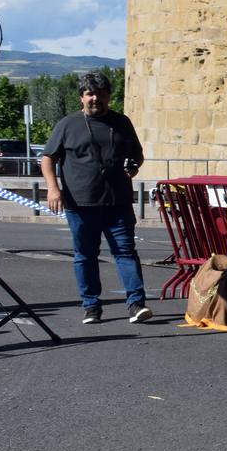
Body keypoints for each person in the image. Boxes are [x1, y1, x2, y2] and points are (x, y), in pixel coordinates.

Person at [41, 72, 153, 325]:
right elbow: (48, 159)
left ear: (108, 97)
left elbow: (137, 154)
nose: (96, 99)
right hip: (80, 205)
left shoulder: (121, 122)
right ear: (81, 97)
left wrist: (134, 166)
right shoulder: (67, 125)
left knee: (125, 253)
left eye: (101, 95)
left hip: (118, 203)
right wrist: (52, 188)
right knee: (85, 256)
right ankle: (91, 306)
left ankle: (136, 304)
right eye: (90, 94)